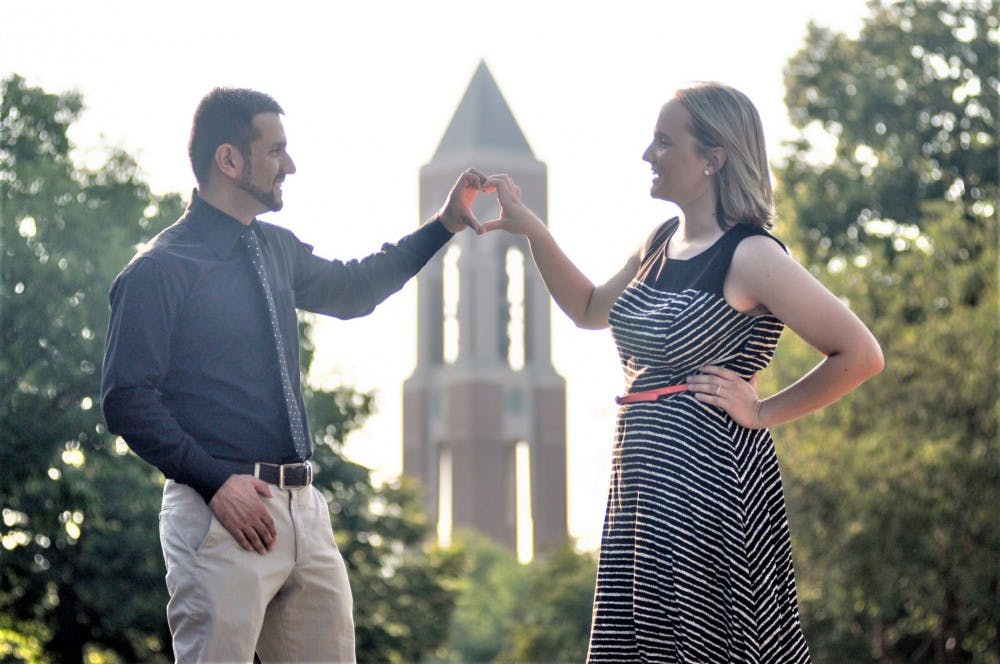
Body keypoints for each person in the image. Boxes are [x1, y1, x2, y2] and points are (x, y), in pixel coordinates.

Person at [482, 82, 884, 662]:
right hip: (642, 485)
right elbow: (592, 310)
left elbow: (861, 354)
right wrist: (531, 229)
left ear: (713, 159)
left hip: (712, 489)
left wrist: (764, 410)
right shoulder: (660, 242)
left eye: (664, 143)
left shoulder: (753, 255)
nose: (649, 156)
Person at [100, 87, 487, 663]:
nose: (291, 165)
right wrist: (215, 483)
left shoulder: (273, 249)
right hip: (220, 513)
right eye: (276, 151)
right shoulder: (159, 269)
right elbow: (126, 399)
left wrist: (445, 225)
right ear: (229, 160)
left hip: (304, 510)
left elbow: (355, 290)